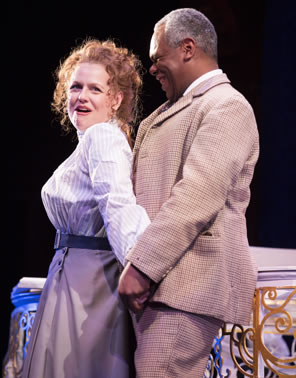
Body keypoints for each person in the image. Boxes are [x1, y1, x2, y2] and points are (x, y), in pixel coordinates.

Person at [118, 8, 259, 378]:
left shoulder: (227, 106)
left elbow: (196, 197)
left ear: (187, 48)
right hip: (158, 287)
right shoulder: (173, 111)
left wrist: (143, 266)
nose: (151, 68)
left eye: (156, 58)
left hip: (185, 286)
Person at [22, 38, 150, 378]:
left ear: (116, 99)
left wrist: (141, 268)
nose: (81, 97)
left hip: (90, 284)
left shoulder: (103, 138)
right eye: (76, 87)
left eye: (95, 89)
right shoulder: (90, 142)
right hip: (74, 275)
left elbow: (118, 203)